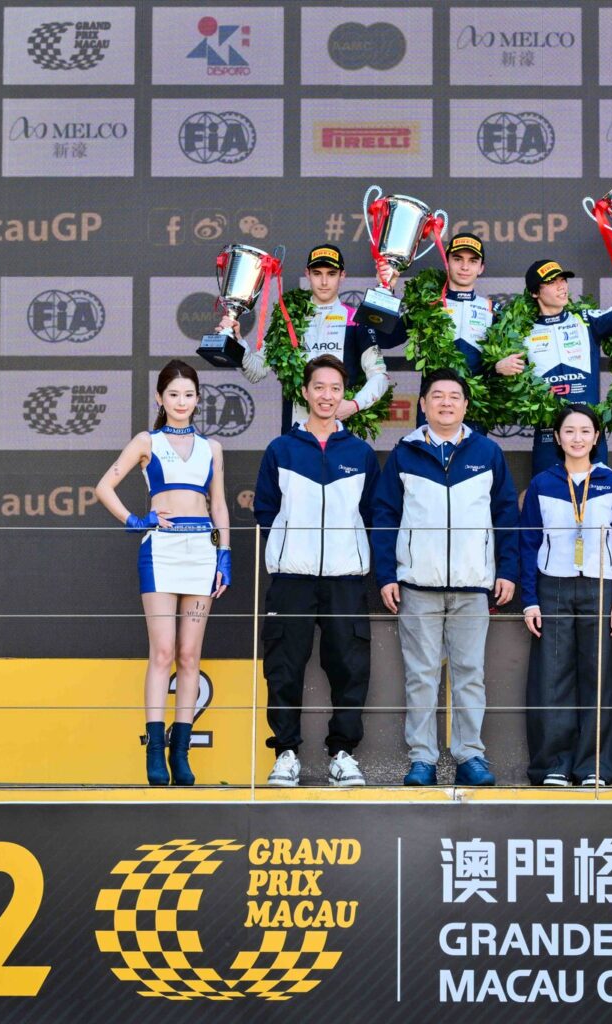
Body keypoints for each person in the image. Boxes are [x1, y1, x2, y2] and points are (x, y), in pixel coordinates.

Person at [371, 366, 518, 786]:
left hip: (473, 585)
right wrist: (387, 575)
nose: (446, 403)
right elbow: (385, 516)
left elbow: (507, 514)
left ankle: (470, 756)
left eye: (454, 396)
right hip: (418, 585)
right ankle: (423, 759)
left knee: (470, 674)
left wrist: (507, 570)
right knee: (421, 676)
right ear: (423, 404)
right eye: (437, 396)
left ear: (466, 405)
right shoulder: (404, 453)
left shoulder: (488, 452)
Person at [94, 360, 232, 787]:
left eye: (188, 394)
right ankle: (155, 750)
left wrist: (224, 554)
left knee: (190, 656)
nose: (181, 402)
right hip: (161, 551)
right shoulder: (146, 441)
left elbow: (218, 504)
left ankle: (180, 752)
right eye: (173, 394)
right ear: (160, 398)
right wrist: (136, 521)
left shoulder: (212, 448)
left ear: (198, 398)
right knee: (163, 653)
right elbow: (104, 487)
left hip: (202, 551)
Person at [252, 355, 380, 787]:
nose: (327, 396)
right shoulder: (281, 450)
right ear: (305, 392)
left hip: (345, 577)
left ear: (344, 395)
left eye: (335, 389)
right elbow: (266, 509)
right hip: (292, 577)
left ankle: (343, 754)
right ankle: (285, 754)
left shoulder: (360, 452)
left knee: (349, 666)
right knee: (284, 668)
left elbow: (371, 513)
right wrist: (292, 545)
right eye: (319, 387)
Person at [519, 404, 612, 787]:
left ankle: (594, 767)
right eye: (569, 431)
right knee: (553, 678)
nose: (577, 438)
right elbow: (528, 543)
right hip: (553, 585)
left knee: (599, 678)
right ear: (557, 437)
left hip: (601, 586)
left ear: (596, 437)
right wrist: (530, 599)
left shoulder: (611, 483)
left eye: (585, 431)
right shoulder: (543, 483)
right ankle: (554, 765)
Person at [518, 240, 612, 474]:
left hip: (590, 435)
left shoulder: (587, 321)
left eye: (563, 280)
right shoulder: (520, 332)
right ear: (535, 292)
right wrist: (500, 366)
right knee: (548, 497)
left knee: (595, 496)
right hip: (547, 435)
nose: (561, 287)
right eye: (552, 282)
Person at [230, 245, 396, 430]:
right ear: (307, 274)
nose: (324, 281)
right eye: (317, 273)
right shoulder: (288, 321)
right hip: (296, 431)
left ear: (342, 276)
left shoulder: (356, 320)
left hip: (340, 430)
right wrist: (236, 341)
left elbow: (379, 375)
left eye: (331, 274)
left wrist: (354, 405)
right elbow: (256, 371)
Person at [376, 231, 525, 426]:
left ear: (481, 268)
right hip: (432, 409)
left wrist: (498, 368)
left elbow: (510, 369)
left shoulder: (493, 311)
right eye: (457, 259)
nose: (465, 267)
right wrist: (385, 290)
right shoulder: (427, 306)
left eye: (472, 261)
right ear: (447, 262)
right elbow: (385, 340)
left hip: (475, 410)